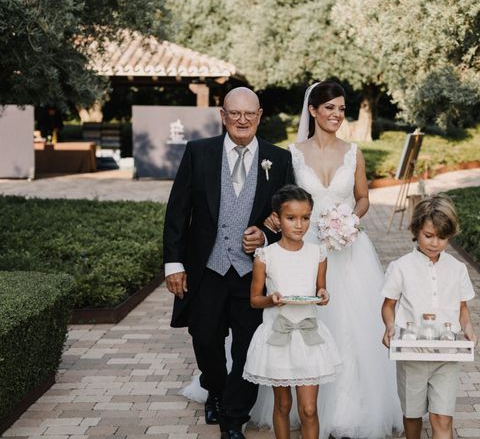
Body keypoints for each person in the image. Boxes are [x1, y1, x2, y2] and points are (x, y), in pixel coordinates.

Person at [255, 81, 402, 438]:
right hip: (304, 253)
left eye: (341, 108)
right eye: (330, 108)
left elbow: (363, 197)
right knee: (306, 321)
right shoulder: (292, 153)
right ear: (313, 111)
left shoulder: (354, 153)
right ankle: (305, 406)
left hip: (348, 250)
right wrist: (273, 219)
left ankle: (349, 410)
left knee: (352, 328)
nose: (337, 114)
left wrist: (351, 220)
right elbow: (283, 200)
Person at [163, 87, 295, 439]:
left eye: (249, 114)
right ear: (223, 116)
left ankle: (233, 418)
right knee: (205, 338)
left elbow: (288, 213)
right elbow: (177, 211)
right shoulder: (199, 152)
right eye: (234, 113)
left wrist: (266, 237)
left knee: (248, 346)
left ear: (260, 116)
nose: (242, 120)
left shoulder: (278, 159)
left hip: (254, 273)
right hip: (207, 267)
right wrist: (174, 264)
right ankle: (216, 391)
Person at [244, 185, 342, 439]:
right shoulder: (265, 255)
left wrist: (323, 295)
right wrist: (271, 299)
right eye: (291, 218)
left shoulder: (317, 253)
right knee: (283, 405)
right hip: (278, 336)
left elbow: (320, 288)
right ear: (277, 219)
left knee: (309, 409)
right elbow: (254, 300)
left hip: (309, 336)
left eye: (305, 218)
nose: (299, 225)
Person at [381, 194, 478, 439]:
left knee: (442, 417)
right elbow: (388, 305)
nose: (435, 243)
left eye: (442, 237)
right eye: (428, 235)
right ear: (416, 230)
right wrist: (390, 326)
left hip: (446, 354)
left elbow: (462, 308)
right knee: (412, 418)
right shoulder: (401, 267)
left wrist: (468, 329)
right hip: (411, 354)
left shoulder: (457, 269)